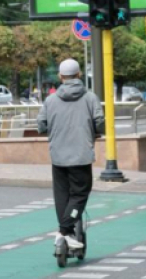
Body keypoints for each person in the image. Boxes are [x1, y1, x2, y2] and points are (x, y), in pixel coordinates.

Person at [37, 58, 104, 250]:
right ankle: (64, 231)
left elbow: (41, 125)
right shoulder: (90, 98)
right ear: (79, 75)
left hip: (58, 155)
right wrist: (96, 131)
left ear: (60, 76)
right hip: (81, 155)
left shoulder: (50, 100)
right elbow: (99, 121)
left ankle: (64, 232)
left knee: (62, 195)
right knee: (80, 193)